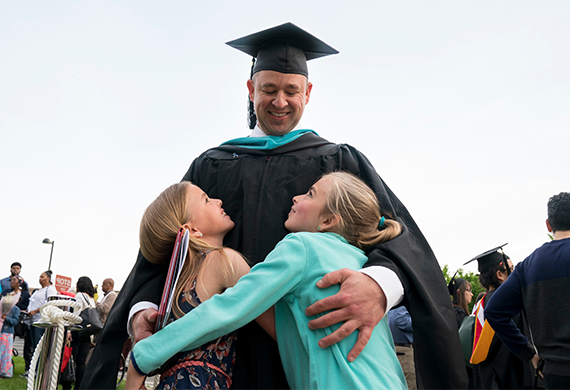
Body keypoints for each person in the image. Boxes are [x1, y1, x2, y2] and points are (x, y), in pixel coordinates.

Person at [83, 23, 466, 390]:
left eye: (291, 91)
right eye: (268, 89)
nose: (280, 102)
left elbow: (397, 234)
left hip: (314, 357)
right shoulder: (212, 166)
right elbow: (165, 244)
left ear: (308, 92)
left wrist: (378, 285)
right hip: (219, 359)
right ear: (250, 88)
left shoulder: (338, 163)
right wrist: (143, 312)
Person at [127, 172, 407, 389]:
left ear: (328, 222)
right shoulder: (360, 262)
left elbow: (230, 308)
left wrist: (145, 355)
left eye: (310, 194)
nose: (296, 197)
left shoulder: (302, 247)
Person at [486, 192, 570, 389]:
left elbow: (493, 311)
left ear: (548, 225)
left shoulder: (528, 266)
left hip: (555, 373)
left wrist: (530, 355)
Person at [464, 246, 535, 389]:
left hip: (489, 380)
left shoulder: (480, 306)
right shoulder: (510, 304)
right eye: (512, 268)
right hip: (514, 379)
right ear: (500, 275)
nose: (515, 272)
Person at [62, 276, 97, 390]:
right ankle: (79, 386)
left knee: (70, 359)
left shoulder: (79, 296)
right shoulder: (91, 299)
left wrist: (69, 331)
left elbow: (75, 315)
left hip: (77, 331)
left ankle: (67, 384)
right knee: (81, 362)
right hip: (87, 333)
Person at [25, 270, 58, 350]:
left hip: (41, 320)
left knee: (39, 346)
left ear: (48, 279)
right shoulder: (37, 291)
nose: (40, 279)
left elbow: (49, 303)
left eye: (42, 277)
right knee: (33, 346)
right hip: (32, 321)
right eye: (39, 277)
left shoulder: (50, 289)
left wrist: (35, 311)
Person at [388, 305, 416, 390]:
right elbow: (399, 320)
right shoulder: (401, 303)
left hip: (396, 348)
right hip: (404, 350)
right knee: (410, 384)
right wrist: (421, 322)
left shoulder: (392, 304)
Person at [0, 276, 22, 378]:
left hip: (8, 333)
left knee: (6, 354)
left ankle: (6, 372)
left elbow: (14, 321)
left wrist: (6, 318)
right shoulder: (4, 305)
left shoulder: (16, 309)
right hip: (1, 330)